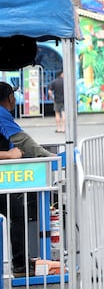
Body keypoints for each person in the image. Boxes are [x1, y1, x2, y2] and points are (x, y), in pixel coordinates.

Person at [0, 81, 57, 278]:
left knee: (18, 213)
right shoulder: (1, 113)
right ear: (9, 98)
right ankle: (20, 265)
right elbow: (23, 141)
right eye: (13, 95)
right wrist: (50, 158)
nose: (15, 99)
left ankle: (23, 261)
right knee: (17, 214)